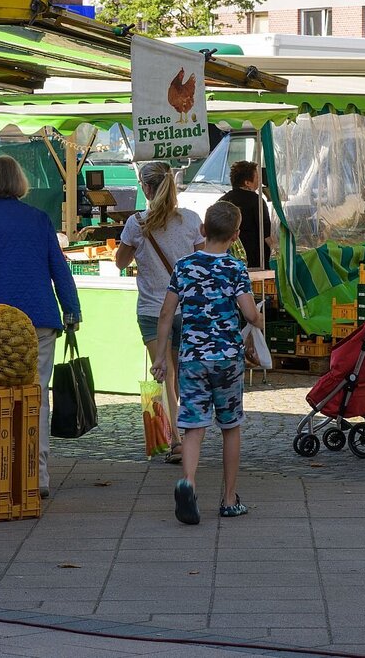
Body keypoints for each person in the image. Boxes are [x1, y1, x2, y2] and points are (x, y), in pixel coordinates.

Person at [0, 155, 82, 498]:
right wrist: (72, 312)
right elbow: (60, 270)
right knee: (36, 394)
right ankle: (36, 474)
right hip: (41, 320)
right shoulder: (40, 219)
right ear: (19, 183)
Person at [152, 201, 263, 525]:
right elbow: (248, 312)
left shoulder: (184, 266)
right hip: (226, 359)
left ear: (202, 230)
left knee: (193, 427)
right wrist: (258, 319)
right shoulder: (235, 268)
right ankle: (229, 500)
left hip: (192, 360)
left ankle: (188, 481)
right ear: (236, 235)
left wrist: (161, 356)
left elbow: (166, 314)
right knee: (230, 428)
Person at [115, 160, 204, 464]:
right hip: (187, 309)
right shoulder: (191, 220)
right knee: (178, 374)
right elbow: (202, 261)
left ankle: (175, 441)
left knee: (162, 373)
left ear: (146, 188)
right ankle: (183, 434)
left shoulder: (136, 223)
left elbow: (120, 262)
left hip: (153, 309)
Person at [217, 160, 277, 269]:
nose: (259, 181)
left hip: (229, 258)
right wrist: (278, 252)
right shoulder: (256, 201)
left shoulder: (222, 201)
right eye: (257, 178)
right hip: (255, 259)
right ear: (247, 183)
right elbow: (266, 233)